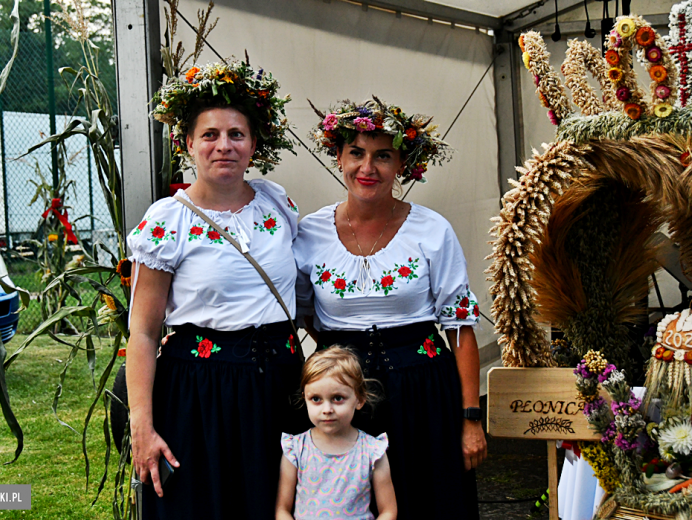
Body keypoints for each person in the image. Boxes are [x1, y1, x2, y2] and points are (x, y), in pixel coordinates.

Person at [126, 61, 302, 520]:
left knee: (276, 505)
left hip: (280, 385)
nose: (223, 145)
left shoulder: (277, 201)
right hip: (200, 392)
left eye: (236, 134)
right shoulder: (167, 220)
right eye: (209, 135)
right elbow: (143, 333)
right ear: (187, 144)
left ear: (254, 144)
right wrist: (141, 426)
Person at [294, 98, 486, 518]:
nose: (368, 167)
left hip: (423, 389)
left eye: (383, 156)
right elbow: (304, 311)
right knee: (348, 502)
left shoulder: (432, 230)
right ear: (339, 158)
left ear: (402, 164)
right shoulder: (309, 232)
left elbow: (460, 327)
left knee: (428, 498)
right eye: (357, 153)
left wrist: (471, 418)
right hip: (345, 390)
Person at [276, 346, 397, 520]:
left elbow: (388, 511)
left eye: (338, 398)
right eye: (316, 399)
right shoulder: (295, 449)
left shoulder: (373, 451)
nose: (327, 409)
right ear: (305, 398)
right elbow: (282, 510)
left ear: (359, 399)